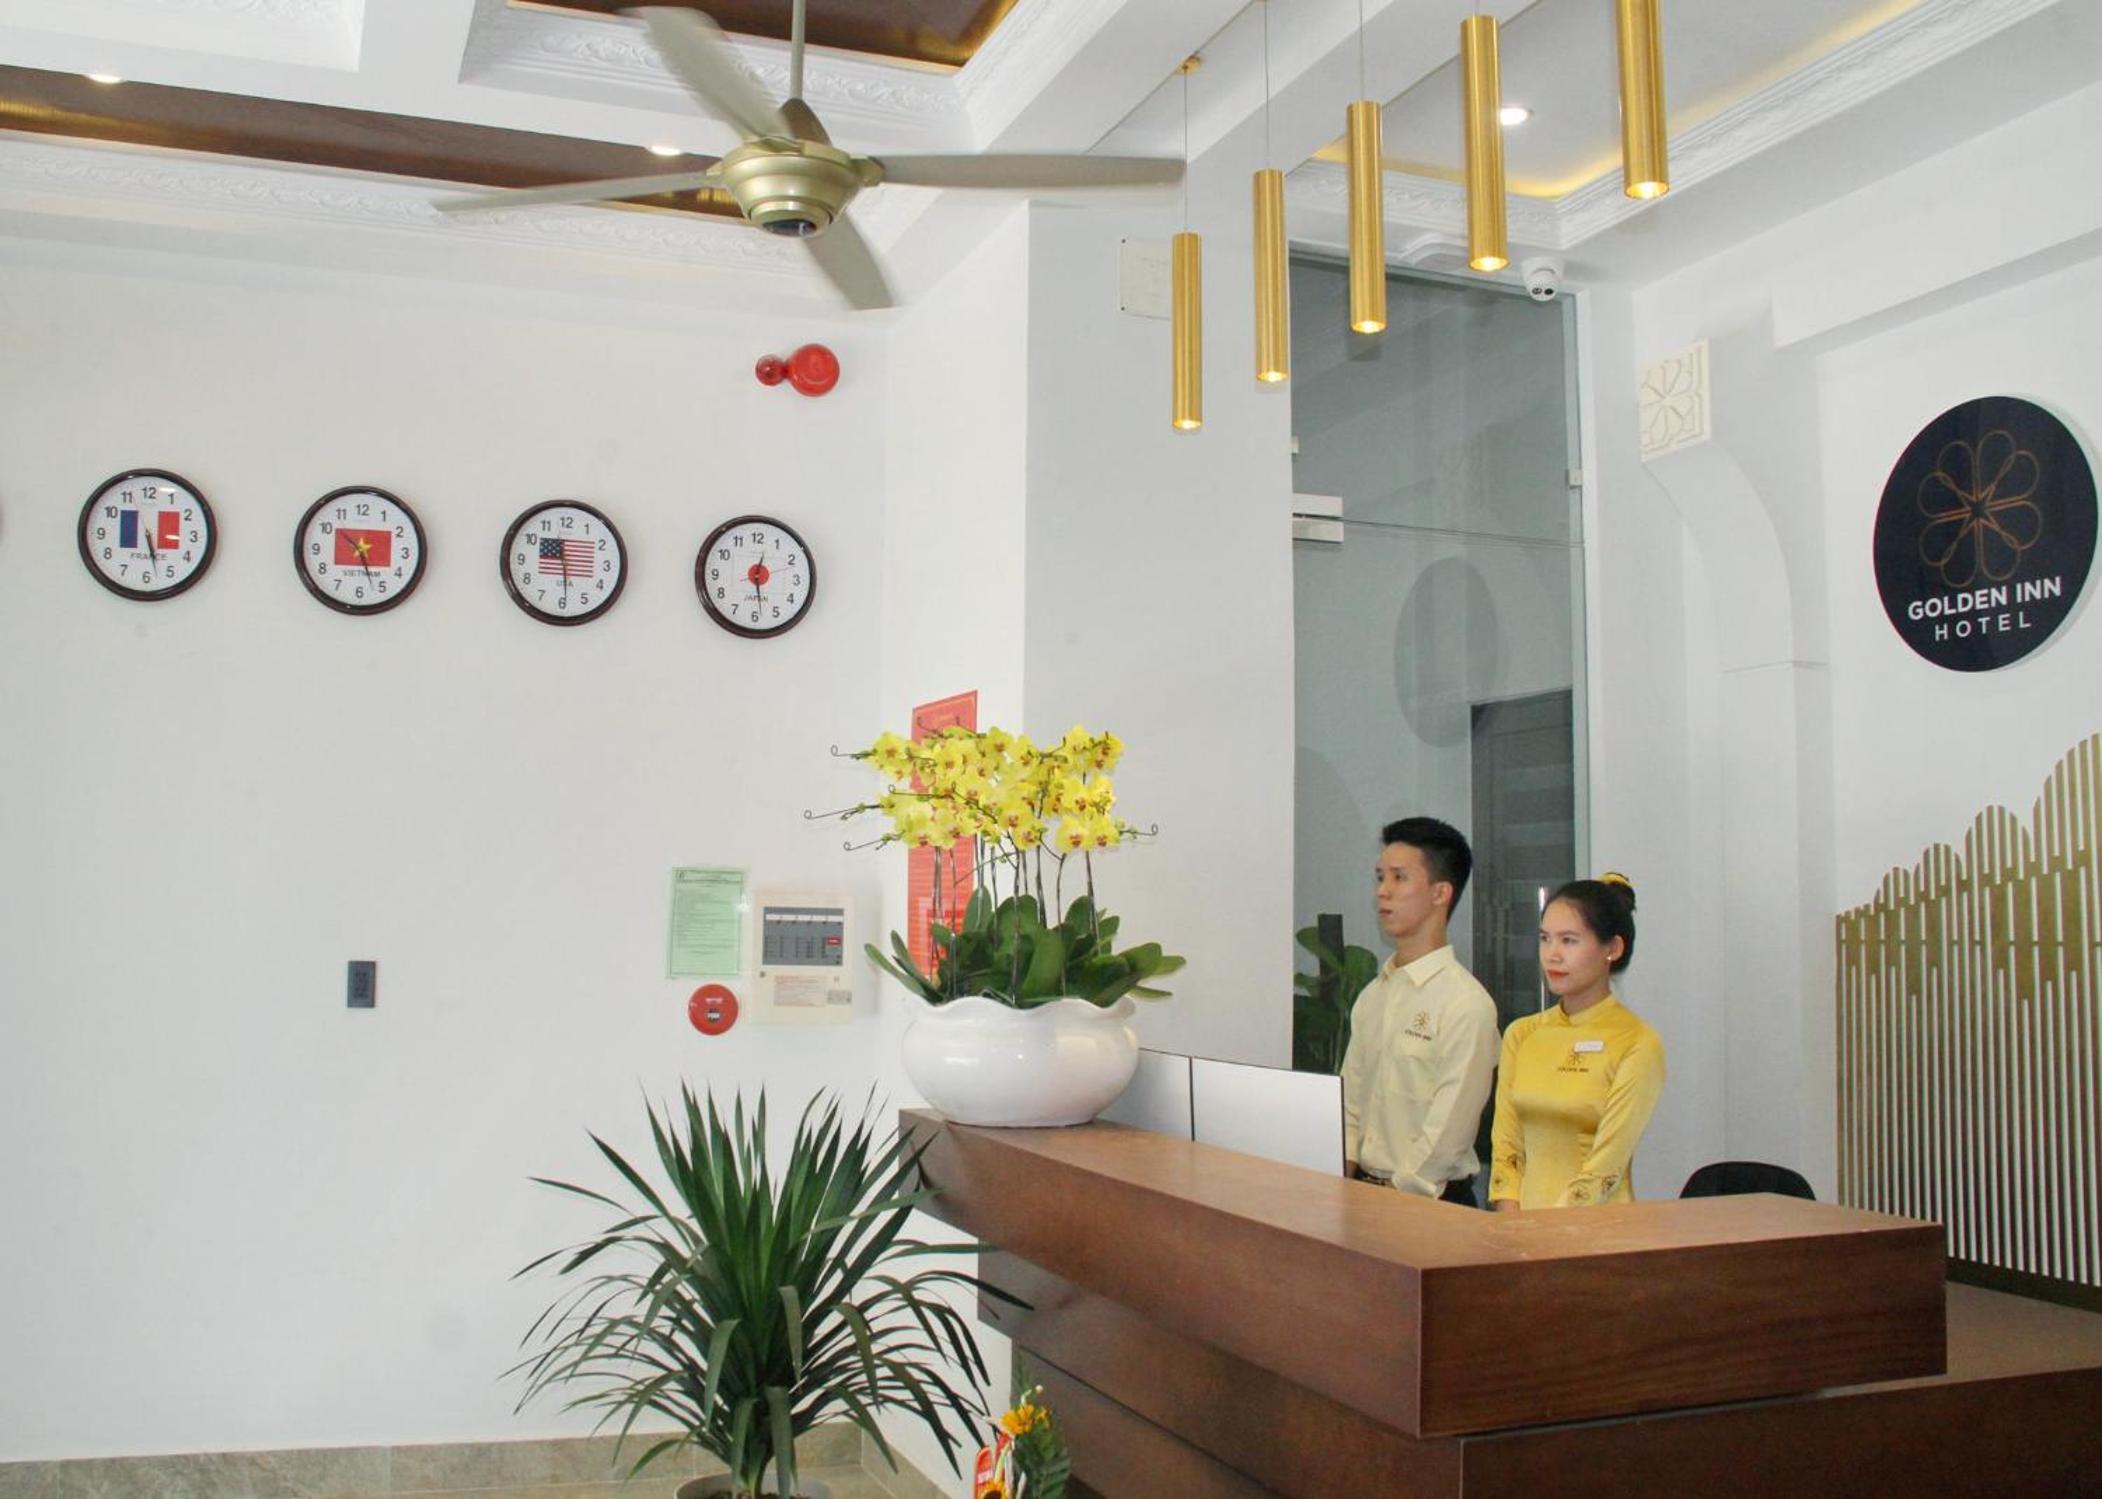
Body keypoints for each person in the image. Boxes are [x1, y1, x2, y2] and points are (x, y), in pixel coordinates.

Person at [1340, 817, 1500, 1206]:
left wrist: (1394, 1197)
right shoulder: (1373, 995)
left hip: (1431, 1203)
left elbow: (1449, 1133)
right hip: (1361, 1194)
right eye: (1380, 877)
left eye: (1399, 878)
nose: (1383, 891)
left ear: (1440, 893)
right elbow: (1350, 1103)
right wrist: (1342, 1184)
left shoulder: (1466, 1003)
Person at [1488, 873, 1665, 1210]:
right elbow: (1506, 1148)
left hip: (1597, 1227)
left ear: (1612, 949)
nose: (1552, 955)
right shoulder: (1521, 1034)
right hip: (1519, 1228)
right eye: (1545, 939)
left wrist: (1548, 1232)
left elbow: (1605, 1168)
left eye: (1569, 941)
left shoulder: (1637, 1042)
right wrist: (1510, 1220)